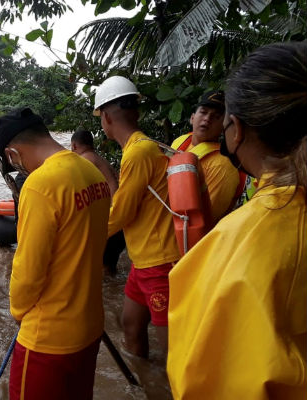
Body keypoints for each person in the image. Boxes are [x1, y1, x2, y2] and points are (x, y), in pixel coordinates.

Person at [167, 42, 307, 399]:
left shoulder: (243, 241)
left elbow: (199, 377)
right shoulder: (180, 144)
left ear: (237, 130)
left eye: (222, 117)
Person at [0, 107, 111, 400]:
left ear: (12, 155)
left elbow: (28, 270)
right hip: (90, 327)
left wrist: (18, 313)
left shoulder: (40, 184)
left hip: (47, 340)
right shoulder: (91, 171)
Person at [93, 76, 180, 358]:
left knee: (173, 347)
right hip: (143, 260)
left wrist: (82, 237)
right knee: (131, 325)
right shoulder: (144, 146)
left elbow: (121, 212)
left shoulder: (138, 153)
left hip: (159, 261)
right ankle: (146, 386)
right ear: (136, 110)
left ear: (105, 117)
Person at [171, 90, 241, 224]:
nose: (207, 119)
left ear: (224, 126)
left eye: (216, 117)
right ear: (192, 117)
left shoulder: (223, 165)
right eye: (203, 112)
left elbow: (204, 218)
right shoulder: (181, 141)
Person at [71, 129, 126, 275]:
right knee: (110, 270)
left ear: (74, 146)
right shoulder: (100, 159)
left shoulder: (84, 160)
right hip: (120, 220)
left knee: (99, 271)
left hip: (110, 221)